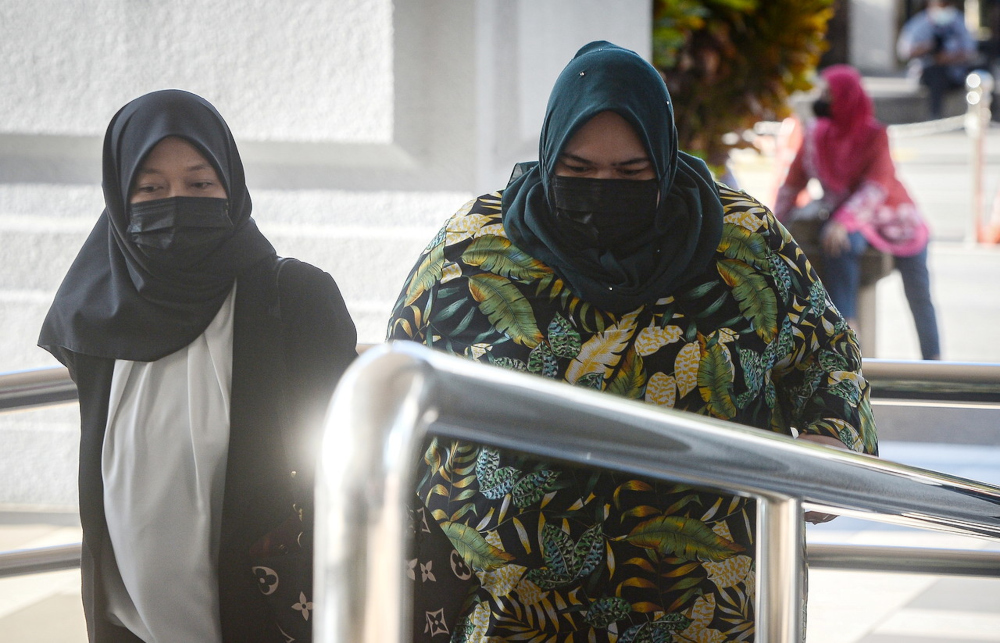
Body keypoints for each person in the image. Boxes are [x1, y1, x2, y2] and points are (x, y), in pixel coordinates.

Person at [387, 41, 877, 642]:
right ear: (549, 154)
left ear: (664, 161)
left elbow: (829, 361)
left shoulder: (745, 244)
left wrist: (832, 449)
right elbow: (397, 381)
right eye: (578, 170)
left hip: (706, 616)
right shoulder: (471, 252)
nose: (603, 189)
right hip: (511, 620)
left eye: (630, 173)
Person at [37, 90, 358, 642]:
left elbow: (346, 463)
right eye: (150, 189)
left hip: (268, 615)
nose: (176, 203)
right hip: (129, 627)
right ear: (118, 196)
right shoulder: (97, 316)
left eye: (200, 184)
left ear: (230, 186)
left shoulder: (294, 298)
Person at [774, 65, 942, 360]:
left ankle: (935, 363)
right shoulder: (815, 137)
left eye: (829, 94)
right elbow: (792, 185)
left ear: (847, 98)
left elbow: (876, 187)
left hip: (896, 220)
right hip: (849, 223)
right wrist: (773, 225)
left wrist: (842, 221)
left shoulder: (875, 135)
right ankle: (847, 334)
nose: (822, 100)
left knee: (919, 294)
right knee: (840, 245)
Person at [897, 0, 978, 119]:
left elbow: (970, 51)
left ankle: (987, 115)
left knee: (981, 71)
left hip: (955, 73)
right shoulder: (919, 23)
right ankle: (935, 116)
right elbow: (904, 52)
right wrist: (928, 48)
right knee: (937, 73)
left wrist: (949, 57)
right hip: (927, 73)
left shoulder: (959, 22)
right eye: (941, 4)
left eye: (946, 4)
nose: (944, 9)